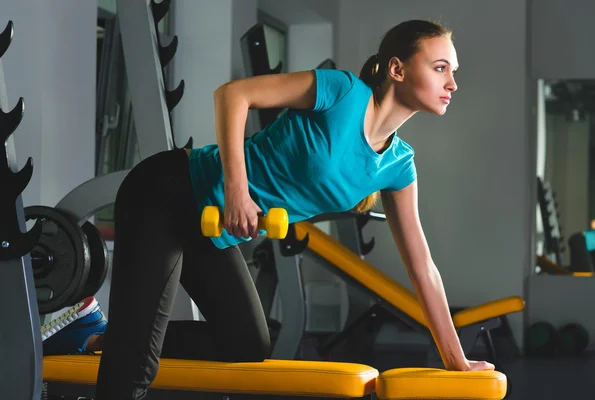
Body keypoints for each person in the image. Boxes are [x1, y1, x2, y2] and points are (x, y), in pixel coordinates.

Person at [95, 19, 494, 400]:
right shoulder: (342, 92)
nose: (452, 83)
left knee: (246, 342)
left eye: (453, 71)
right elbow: (233, 95)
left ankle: (96, 338)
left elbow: (422, 267)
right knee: (135, 365)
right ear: (397, 69)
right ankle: (123, 345)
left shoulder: (398, 166)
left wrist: (456, 361)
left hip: (207, 228)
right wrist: (237, 191)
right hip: (169, 191)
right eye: (440, 68)